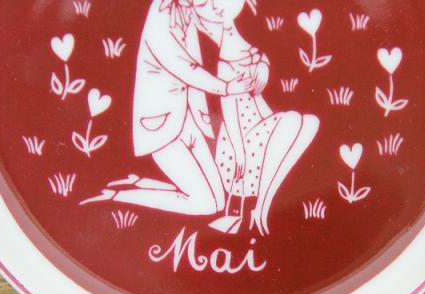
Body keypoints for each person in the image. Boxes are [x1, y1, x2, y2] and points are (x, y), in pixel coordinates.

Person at [81, 0, 253, 216]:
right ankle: (117, 196)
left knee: (218, 203)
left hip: (190, 119)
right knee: (206, 205)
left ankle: (139, 183)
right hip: (163, 124)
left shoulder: (186, 13)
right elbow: (184, 67)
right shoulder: (161, 19)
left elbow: (224, 35)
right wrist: (226, 88)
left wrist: (254, 60)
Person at [194, 0, 320, 235]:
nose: (215, 6)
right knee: (294, 120)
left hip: (262, 133)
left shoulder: (251, 53)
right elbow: (229, 112)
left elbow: (255, 62)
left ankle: (262, 206)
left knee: (310, 122)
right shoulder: (223, 65)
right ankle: (256, 210)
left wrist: (262, 63)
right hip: (239, 146)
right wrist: (239, 152)